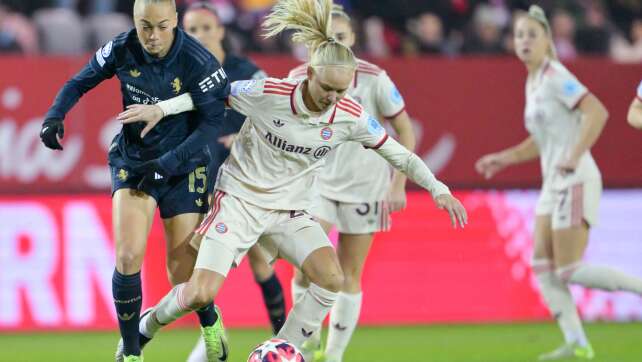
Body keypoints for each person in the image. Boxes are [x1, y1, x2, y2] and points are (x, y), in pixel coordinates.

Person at [116, 0, 467, 358]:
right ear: (310, 74)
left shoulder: (349, 115)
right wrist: (161, 108)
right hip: (239, 201)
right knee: (199, 294)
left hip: (289, 211)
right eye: (327, 88)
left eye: (341, 91)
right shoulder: (270, 93)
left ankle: (283, 347)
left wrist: (439, 189)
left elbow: (399, 153)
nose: (332, 98)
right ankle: (148, 325)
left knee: (332, 278)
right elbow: (208, 97)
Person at [39, 1, 229, 361]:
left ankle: (209, 320)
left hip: (184, 165)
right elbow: (80, 81)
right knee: (127, 256)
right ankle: (131, 352)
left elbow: (210, 125)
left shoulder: (198, 61)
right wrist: (54, 115)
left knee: (181, 273)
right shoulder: (122, 47)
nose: (152, 36)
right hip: (135, 162)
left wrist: (170, 162)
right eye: (145, 26)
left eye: (160, 26)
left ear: (174, 21)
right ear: (134, 22)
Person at [475, 6, 642, 361]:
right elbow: (541, 140)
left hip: (575, 177)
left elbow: (597, 110)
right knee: (542, 265)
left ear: (548, 40)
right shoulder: (532, 81)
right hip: (553, 182)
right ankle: (577, 343)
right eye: (519, 35)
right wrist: (502, 158)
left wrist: (574, 154)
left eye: (532, 35)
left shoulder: (554, 75)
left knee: (568, 268)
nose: (524, 42)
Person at [286, 6, 416, 361]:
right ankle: (306, 336)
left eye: (341, 37)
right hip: (317, 186)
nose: (335, 44)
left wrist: (398, 184)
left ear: (353, 39)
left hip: (366, 187)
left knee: (348, 275)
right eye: (328, 39)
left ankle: (334, 354)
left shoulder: (374, 78)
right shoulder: (299, 76)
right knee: (305, 267)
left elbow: (405, 130)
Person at [179, 3, 286, 360]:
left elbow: (276, 112)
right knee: (198, 264)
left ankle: (284, 340)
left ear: (221, 31)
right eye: (191, 30)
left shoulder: (243, 71)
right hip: (202, 178)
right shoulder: (179, 74)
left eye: (205, 28)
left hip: (244, 178)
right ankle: (211, 335)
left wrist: (241, 136)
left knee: (260, 262)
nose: (199, 36)